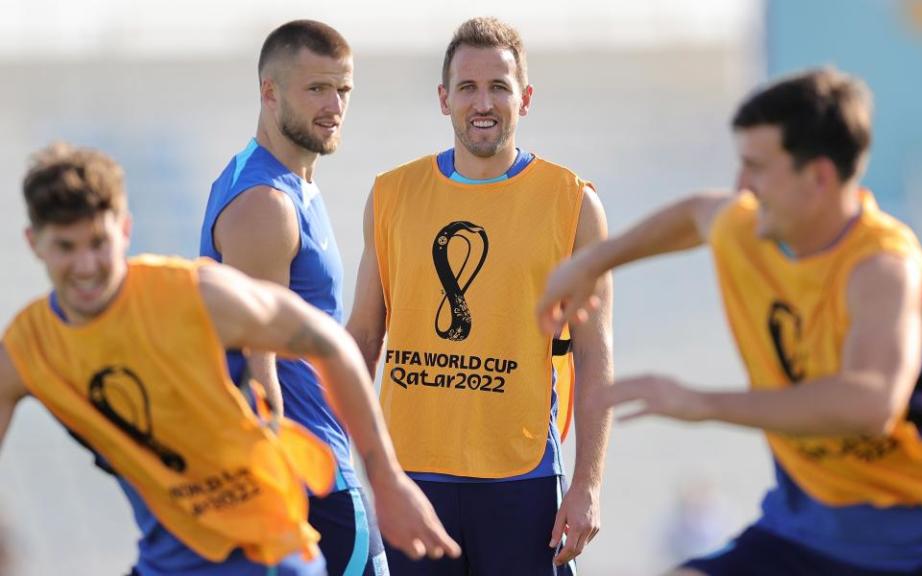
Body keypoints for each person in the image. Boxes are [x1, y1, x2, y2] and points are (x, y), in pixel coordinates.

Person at [536, 68, 922, 575]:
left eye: (757, 167)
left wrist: (701, 403)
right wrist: (591, 263)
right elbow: (695, 215)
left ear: (818, 177)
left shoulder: (883, 268)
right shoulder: (753, 229)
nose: (741, 185)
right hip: (807, 527)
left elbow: (869, 403)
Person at [0, 143, 459, 576]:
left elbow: (330, 342)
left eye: (98, 243)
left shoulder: (193, 295)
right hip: (166, 561)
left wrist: (386, 478)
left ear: (124, 231)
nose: (85, 265)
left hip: (264, 552)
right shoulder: (27, 349)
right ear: (34, 242)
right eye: (65, 247)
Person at [347, 17, 613, 576]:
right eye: (467, 87)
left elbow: (594, 355)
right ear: (444, 99)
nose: (483, 102)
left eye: (499, 86)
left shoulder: (572, 203)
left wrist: (587, 484)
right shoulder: (392, 194)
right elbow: (364, 336)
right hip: (411, 480)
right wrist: (344, 459)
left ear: (526, 98)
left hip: (522, 480)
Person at [198, 20, 388, 575]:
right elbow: (261, 372)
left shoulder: (289, 184)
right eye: (316, 90)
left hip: (324, 465)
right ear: (269, 91)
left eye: (343, 90)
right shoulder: (265, 204)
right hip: (308, 483)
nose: (334, 105)